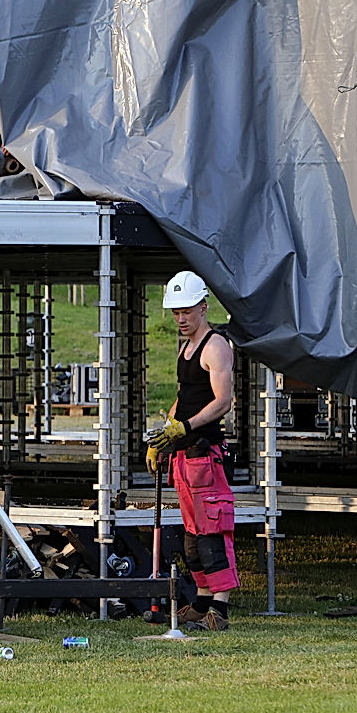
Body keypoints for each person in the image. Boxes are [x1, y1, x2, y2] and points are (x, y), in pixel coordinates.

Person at [146, 270, 237, 631]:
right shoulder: (185, 348)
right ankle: (200, 602)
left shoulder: (216, 346)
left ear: (203, 306)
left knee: (213, 532)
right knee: (193, 537)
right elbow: (184, 396)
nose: (181, 318)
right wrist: (166, 436)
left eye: (186, 311)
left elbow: (223, 401)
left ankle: (220, 611)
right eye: (175, 312)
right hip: (185, 457)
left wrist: (187, 427)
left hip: (206, 453)